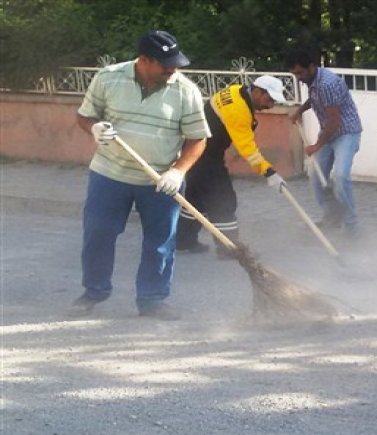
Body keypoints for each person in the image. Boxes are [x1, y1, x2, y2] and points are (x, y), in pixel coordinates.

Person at [71, 30, 210, 320]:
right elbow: (85, 116)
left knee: (160, 242)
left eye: (175, 63)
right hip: (109, 174)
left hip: (160, 181)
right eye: (165, 64)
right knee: (98, 234)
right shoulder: (108, 78)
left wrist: (178, 171)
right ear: (144, 60)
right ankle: (94, 291)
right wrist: (94, 128)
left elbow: (198, 139)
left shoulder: (186, 91)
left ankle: (152, 299)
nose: (173, 69)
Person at [176, 75, 288, 258]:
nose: (271, 105)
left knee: (196, 200)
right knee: (223, 199)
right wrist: (269, 172)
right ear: (258, 91)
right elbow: (247, 149)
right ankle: (229, 248)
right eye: (270, 99)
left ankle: (182, 241)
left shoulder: (237, 90)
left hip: (194, 147)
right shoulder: (238, 110)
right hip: (204, 154)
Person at [285, 48, 363, 236]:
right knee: (315, 175)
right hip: (329, 132)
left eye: (300, 73)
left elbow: (334, 121)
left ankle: (351, 224)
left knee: (341, 178)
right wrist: (300, 111)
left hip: (346, 133)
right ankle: (332, 216)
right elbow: (314, 99)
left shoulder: (327, 83)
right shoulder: (313, 81)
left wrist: (316, 146)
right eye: (294, 73)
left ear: (312, 67)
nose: (297, 77)